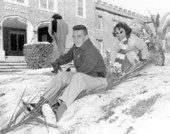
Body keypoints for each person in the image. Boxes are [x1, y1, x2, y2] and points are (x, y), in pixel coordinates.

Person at [25, 25, 108, 124]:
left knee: (78, 77)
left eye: (79, 36)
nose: (76, 39)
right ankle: (40, 105)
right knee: (62, 75)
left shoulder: (91, 51)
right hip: (84, 77)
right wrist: (57, 62)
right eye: (74, 36)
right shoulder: (76, 47)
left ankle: (58, 112)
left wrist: (62, 90)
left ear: (86, 37)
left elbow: (81, 74)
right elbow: (68, 57)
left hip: (99, 81)